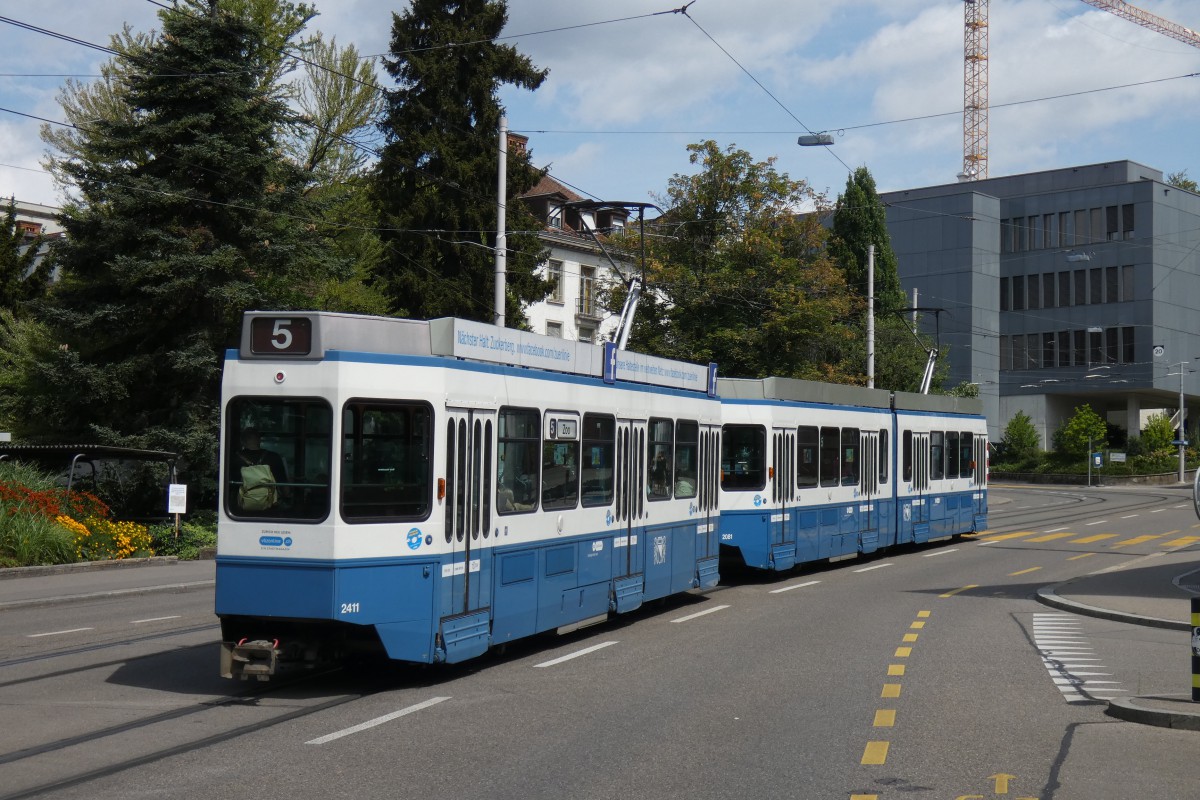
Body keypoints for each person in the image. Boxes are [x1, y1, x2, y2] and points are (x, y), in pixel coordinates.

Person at [238, 428, 288, 509]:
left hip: (241, 509)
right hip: (270, 509)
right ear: (259, 440)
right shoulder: (274, 457)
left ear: (242, 442)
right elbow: (285, 489)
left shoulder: (234, 459)